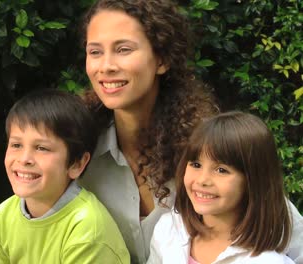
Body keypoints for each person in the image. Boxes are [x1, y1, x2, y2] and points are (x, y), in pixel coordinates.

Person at [77, 0, 303, 263]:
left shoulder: (210, 149)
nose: (106, 66)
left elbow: (290, 237)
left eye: (123, 49)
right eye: (95, 52)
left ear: (161, 59)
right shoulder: (77, 148)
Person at [0, 90, 130, 264]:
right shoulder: (3, 216)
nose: (24, 159)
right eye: (16, 145)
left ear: (77, 164)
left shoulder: (87, 228)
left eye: (42, 148)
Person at [148, 111, 298, 263]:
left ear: (253, 180)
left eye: (221, 170)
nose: (202, 180)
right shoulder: (168, 230)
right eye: (196, 164)